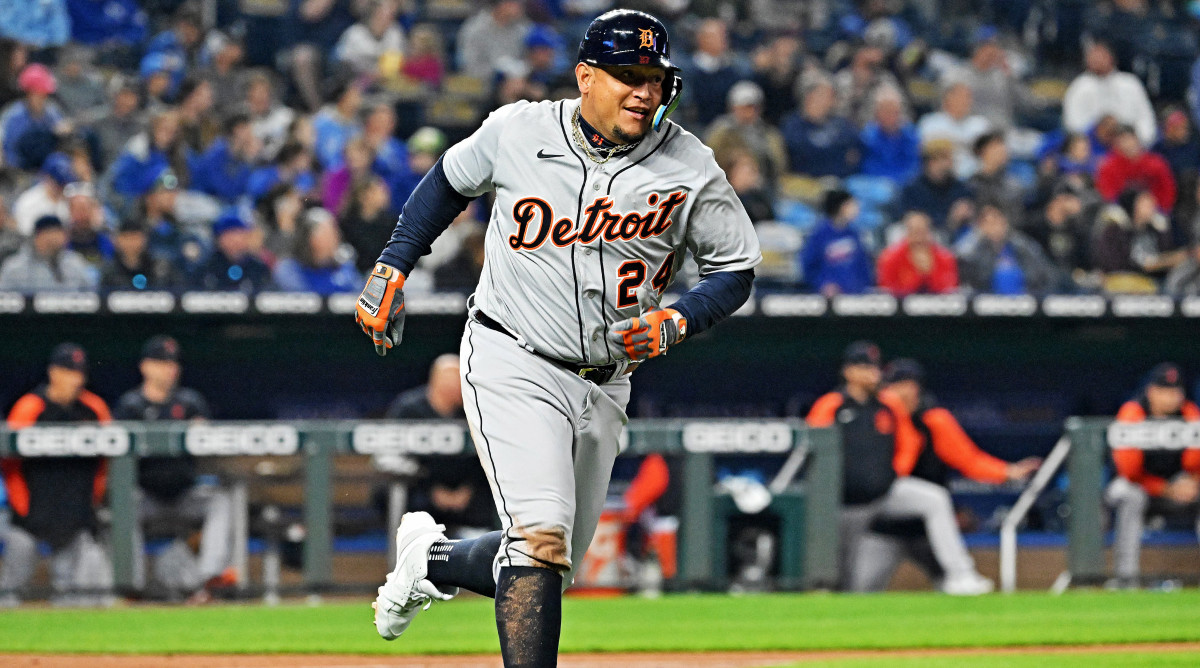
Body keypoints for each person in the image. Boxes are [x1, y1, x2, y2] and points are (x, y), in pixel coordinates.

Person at [358, 10, 761, 665]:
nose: (644, 92)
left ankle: (433, 561)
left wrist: (682, 318)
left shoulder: (688, 164)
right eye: (628, 75)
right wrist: (393, 262)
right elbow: (448, 183)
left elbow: (736, 268)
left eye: (655, 78)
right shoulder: (520, 130)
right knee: (540, 542)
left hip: (607, 382)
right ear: (585, 77)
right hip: (513, 356)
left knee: (547, 562)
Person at [807, 342, 994, 595]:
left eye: (875, 367)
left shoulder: (888, 404)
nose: (873, 373)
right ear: (848, 371)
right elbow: (811, 451)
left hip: (885, 496)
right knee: (849, 584)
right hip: (843, 504)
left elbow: (909, 442)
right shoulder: (831, 404)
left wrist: (892, 475)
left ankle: (961, 576)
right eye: (865, 367)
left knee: (934, 499)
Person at [853, 359, 1040, 592]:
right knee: (859, 590)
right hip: (885, 528)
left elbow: (969, 460)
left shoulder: (934, 420)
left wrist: (1008, 471)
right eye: (895, 385)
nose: (903, 391)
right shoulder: (877, 418)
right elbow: (889, 470)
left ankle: (962, 576)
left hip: (928, 535)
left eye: (909, 385)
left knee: (957, 589)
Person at [113, 335, 236, 601]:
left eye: (172, 363)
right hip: (145, 494)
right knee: (124, 504)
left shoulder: (190, 402)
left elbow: (210, 446)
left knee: (220, 501)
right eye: (161, 362)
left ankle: (209, 578)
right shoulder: (130, 406)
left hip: (184, 493)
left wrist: (202, 434)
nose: (170, 368)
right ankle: (130, 586)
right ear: (145, 366)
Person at [1, 343, 113, 607]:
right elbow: (10, 467)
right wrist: (25, 510)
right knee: (8, 595)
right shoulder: (30, 407)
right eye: (68, 371)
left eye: (79, 372)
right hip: (27, 523)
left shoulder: (94, 409)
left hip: (74, 522)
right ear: (53, 372)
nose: (75, 379)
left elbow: (105, 465)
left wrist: (90, 504)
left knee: (80, 598)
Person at [1106, 363, 1200, 588]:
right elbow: (1129, 472)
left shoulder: (1188, 413)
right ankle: (1126, 579)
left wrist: (1193, 482)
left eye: (1177, 391)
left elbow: (1195, 463)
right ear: (1152, 392)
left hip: (1178, 485)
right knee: (1132, 496)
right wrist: (1166, 488)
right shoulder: (1133, 412)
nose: (1173, 397)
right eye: (1166, 391)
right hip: (1130, 486)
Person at [384, 355, 494, 537]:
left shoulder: (473, 409)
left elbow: (484, 458)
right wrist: (431, 491)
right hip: (421, 491)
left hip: (467, 496)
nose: (457, 386)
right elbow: (390, 458)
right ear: (436, 380)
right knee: (399, 492)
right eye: (452, 380)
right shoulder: (409, 409)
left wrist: (466, 489)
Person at [1063, 37, 1156, 147]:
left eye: (1101, 56)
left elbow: (1146, 119)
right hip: (1093, 148)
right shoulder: (1079, 87)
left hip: (1130, 146)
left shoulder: (1130, 83)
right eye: (1093, 56)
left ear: (1111, 57)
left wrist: (1138, 142)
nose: (1097, 60)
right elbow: (1073, 124)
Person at [956, 201, 1054, 295]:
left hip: (1025, 301)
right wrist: (976, 235)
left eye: (997, 221)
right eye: (989, 223)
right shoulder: (974, 249)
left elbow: (1044, 274)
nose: (995, 227)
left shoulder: (1021, 245)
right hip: (985, 302)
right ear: (981, 226)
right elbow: (962, 260)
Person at [781, 74, 861, 178]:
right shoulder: (792, 124)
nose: (833, 101)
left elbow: (855, 149)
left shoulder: (841, 123)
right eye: (828, 95)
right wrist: (834, 152)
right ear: (809, 96)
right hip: (805, 183)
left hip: (840, 183)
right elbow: (801, 153)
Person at [800, 188, 873, 295]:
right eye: (852, 205)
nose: (857, 209)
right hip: (828, 299)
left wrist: (863, 287)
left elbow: (863, 267)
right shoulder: (819, 235)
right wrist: (822, 284)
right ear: (841, 207)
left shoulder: (854, 234)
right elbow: (809, 266)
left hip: (854, 297)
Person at [896, 139, 974, 238]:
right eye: (945, 158)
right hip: (923, 237)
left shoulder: (960, 187)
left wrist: (966, 212)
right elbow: (905, 217)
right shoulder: (912, 188)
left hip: (955, 237)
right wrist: (949, 219)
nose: (950, 163)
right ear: (931, 161)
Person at [272, 207, 361, 294]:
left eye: (335, 233)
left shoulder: (344, 268)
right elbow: (301, 298)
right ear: (311, 238)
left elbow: (357, 293)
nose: (336, 239)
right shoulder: (289, 269)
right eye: (327, 234)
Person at [0, 215, 96, 292]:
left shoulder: (75, 263)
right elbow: (5, 303)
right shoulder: (15, 267)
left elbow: (92, 296)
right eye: (53, 234)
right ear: (39, 236)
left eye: (61, 234)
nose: (60, 239)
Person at [917, 80, 990, 179]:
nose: (965, 101)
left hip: (977, 178)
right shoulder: (930, 123)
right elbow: (924, 155)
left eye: (968, 97)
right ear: (947, 99)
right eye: (960, 96)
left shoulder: (981, 124)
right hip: (942, 178)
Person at [1095, 126, 1176, 213]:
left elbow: (1167, 189)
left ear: (1136, 139)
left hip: (1155, 211)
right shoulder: (1108, 166)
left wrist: (1160, 209)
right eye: (1122, 140)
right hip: (1122, 213)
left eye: (1129, 139)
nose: (1126, 144)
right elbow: (1108, 195)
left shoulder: (1155, 163)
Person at [877, 210, 958, 296]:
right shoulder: (889, 257)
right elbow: (887, 290)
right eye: (915, 232)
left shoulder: (945, 257)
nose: (919, 238)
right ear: (907, 232)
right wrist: (917, 274)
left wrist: (929, 272)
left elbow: (949, 289)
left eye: (922, 231)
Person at [189, 209, 272, 292]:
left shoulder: (258, 268)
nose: (235, 239)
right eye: (229, 234)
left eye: (239, 233)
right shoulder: (207, 268)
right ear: (219, 238)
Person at [455, 0, 530, 82]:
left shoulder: (522, 30)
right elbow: (470, 66)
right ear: (501, 4)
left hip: (517, 81)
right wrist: (499, 74)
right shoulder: (475, 29)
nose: (519, 7)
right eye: (515, 3)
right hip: (483, 83)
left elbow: (527, 61)